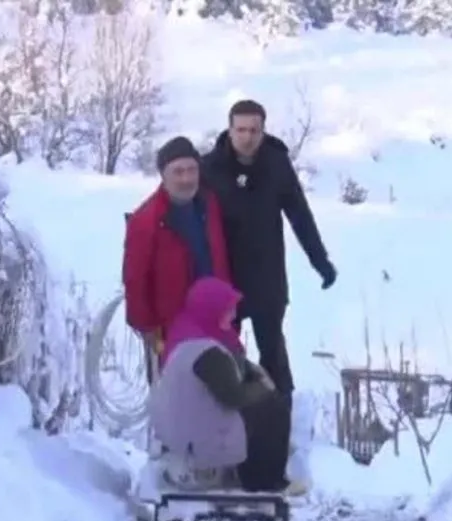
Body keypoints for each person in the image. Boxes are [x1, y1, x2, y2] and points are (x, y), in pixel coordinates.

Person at [200, 99, 336, 491]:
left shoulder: (276, 164)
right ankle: (224, 437)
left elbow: (299, 215)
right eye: (240, 130)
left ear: (263, 131)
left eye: (254, 130)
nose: (246, 137)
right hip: (224, 281)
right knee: (223, 357)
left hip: (266, 279)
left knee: (272, 351)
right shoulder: (210, 168)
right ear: (229, 130)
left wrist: (320, 261)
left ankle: (278, 435)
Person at [144, 277, 277, 494]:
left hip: (178, 436)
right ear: (211, 310)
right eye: (228, 309)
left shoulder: (187, 333)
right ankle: (263, 480)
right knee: (269, 409)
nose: (233, 315)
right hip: (198, 446)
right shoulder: (207, 351)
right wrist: (264, 387)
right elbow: (233, 395)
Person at [123, 136, 231, 369]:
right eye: (178, 172)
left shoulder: (209, 205)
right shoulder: (146, 220)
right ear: (163, 175)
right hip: (173, 329)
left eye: (192, 170)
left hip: (214, 320)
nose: (186, 179)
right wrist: (149, 330)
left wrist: (228, 303)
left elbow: (220, 258)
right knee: (179, 388)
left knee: (221, 385)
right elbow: (135, 280)